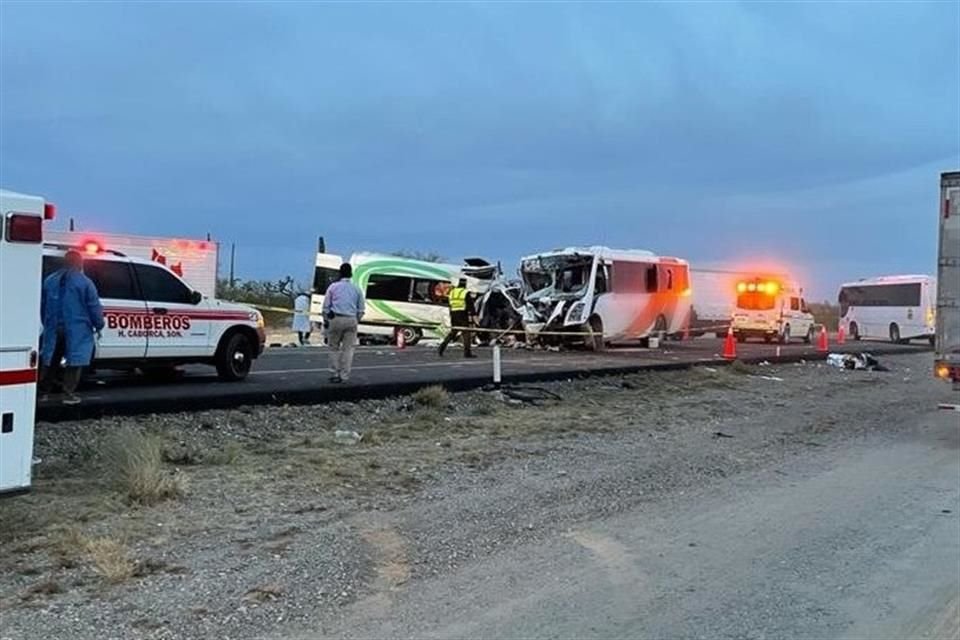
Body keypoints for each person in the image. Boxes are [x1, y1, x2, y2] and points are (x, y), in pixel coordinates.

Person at [39, 250, 104, 405]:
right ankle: (68, 394)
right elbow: (94, 306)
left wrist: (46, 323)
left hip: (54, 328)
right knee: (75, 362)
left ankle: (43, 392)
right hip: (77, 329)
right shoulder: (85, 282)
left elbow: (43, 305)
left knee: (50, 360)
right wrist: (99, 324)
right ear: (79, 263)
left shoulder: (50, 280)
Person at [322, 263, 365, 383]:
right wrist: (356, 320)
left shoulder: (333, 287)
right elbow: (361, 309)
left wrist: (326, 320)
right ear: (351, 274)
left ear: (339, 273)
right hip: (351, 319)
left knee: (333, 348)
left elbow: (326, 307)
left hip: (336, 319)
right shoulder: (357, 289)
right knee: (348, 349)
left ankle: (335, 373)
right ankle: (345, 375)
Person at [438, 277, 476, 358]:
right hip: (462, 314)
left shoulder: (452, 292)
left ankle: (442, 347)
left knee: (453, 332)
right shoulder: (465, 292)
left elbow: (449, 303)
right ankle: (467, 353)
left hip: (453, 314)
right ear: (465, 284)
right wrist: (473, 315)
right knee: (466, 333)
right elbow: (470, 304)